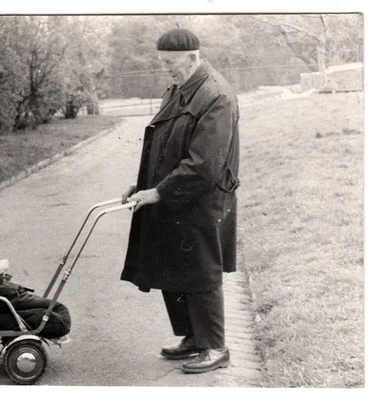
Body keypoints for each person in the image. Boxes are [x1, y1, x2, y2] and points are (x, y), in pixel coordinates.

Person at [121, 27, 240, 374]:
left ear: (193, 57)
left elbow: (204, 163)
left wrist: (158, 191)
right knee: (173, 266)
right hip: (175, 196)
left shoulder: (216, 95)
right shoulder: (180, 87)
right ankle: (192, 337)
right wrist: (142, 185)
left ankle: (215, 347)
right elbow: (166, 146)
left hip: (202, 200)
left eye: (172, 63)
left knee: (201, 271)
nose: (167, 70)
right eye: (163, 63)